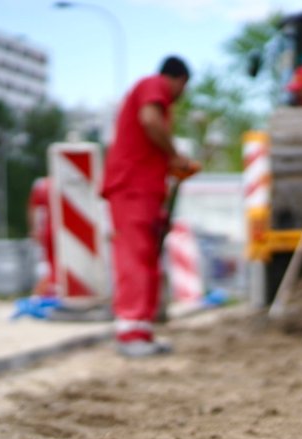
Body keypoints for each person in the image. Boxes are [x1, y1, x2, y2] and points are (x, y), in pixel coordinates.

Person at [101, 56, 200, 357]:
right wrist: (176, 157)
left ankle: (141, 330)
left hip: (144, 190)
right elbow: (149, 119)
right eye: (183, 88)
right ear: (180, 80)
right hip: (132, 188)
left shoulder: (156, 96)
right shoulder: (153, 85)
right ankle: (129, 330)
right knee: (133, 256)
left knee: (145, 259)